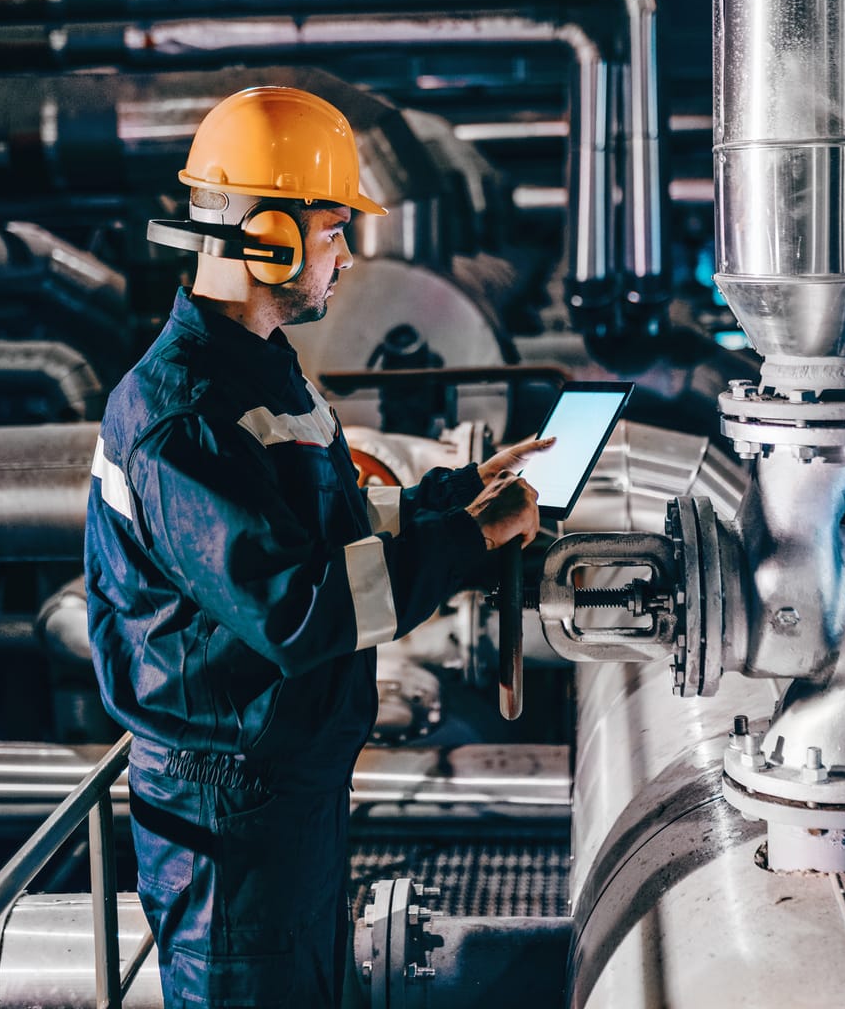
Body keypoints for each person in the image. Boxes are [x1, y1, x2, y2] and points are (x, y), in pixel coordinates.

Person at [85, 85, 546, 1007]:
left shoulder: (259, 369)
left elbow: (332, 526)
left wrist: (456, 497)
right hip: (228, 808)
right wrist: (465, 543)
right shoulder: (187, 416)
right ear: (272, 238)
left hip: (282, 785)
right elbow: (298, 608)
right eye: (334, 229)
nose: (345, 254)